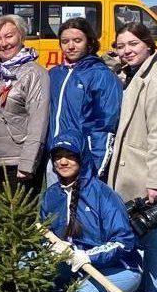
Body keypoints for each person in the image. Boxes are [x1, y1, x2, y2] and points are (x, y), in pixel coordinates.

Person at [107, 22, 157, 292]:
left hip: (143, 172)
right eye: (121, 46)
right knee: (135, 231)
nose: (126, 51)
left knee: (151, 234)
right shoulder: (132, 74)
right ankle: (140, 289)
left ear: (148, 44)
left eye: (133, 44)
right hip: (127, 169)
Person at [43, 132, 147, 292]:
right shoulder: (50, 196)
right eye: (57, 156)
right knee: (29, 268)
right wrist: (52, 248)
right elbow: (44, 234)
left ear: (82, 157)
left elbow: (124, 242)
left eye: (70, 155)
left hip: (120, 267)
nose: (63, 162)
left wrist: (88, 256)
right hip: (75, 267)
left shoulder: (103, 195)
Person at [0, 14, 49, 194]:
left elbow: (38, 121)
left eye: (9, 36)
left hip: (17, 163)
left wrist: (28, 162)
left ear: (21, 36)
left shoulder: (34, 73)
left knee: (19, 220)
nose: (4, 43)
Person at [47, 17, 121, 181]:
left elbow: (104, 125)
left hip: (82, 159)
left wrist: (94, 169)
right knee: (58, 205)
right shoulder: (54, 74)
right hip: (55, 158)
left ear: (89, 42)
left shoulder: (101, 75)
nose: (71, 46)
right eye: (65, 41)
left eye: (77, 40)